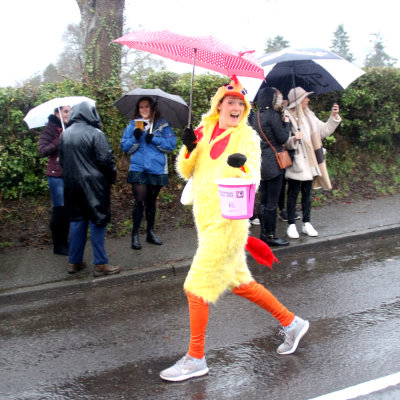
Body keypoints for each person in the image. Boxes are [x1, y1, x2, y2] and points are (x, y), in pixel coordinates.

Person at [159, 77, 309, 382]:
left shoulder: (247, 137)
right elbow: (186, 170)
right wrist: (188, 148)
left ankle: (196, 357)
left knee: (196, 286)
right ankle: (292, 323)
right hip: (206, 221)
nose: (236, 108)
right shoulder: (203, 132)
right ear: (219, 105)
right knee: (241, 284)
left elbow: (253, 178)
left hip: (229, 222)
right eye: (231, 102)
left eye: (241, 103)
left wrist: (241, 166)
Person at [59, 101, 120, 277]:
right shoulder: (96, 133)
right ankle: (100, 264)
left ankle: (74, 262)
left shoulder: (65, 135)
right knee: (97, 222)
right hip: (94, 185)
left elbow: (62, 161)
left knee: (77, 222)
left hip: (72, 186)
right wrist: (110, 179)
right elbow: (106, 160)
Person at [120, 97, 177, 250]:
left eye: (146, 107)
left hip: (156, 169)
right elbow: (124, 146)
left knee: (151, 202)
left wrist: (155, 139)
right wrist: (135, 137)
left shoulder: (162, 124)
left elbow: (171, 145)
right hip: (138, 169)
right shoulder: (133, 125)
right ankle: (135, 234)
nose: (144, 110)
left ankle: (150, 233)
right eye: (141, 107)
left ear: (152, 108)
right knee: (140, 202)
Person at [285, 87, 341, 239]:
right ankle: (291, 224)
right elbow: (283, 141)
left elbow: (323, 131)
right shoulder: (286, 116)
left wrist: (333, 116)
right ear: (297, 101)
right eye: (305, 98)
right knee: (293, 193)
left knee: (307, 193)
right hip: (296, 160)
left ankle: (306, 222)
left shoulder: (309, 115)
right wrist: (294, 139)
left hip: (311, 160)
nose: (308, 100)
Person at [249, 87, 292, 246]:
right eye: (277, 98)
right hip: (274, 162)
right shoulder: (273, 116)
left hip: (261, 162)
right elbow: (282, 138)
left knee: (264, 200)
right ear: (272, 99)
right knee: (272, 202)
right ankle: (271, 235)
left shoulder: (255, 116)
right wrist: (286, 124)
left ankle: (263, 233)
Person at [38, 105, 71, 256]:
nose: (68, 114)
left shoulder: (72, 127)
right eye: (65, 111)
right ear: (57, 114)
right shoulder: (50, 129)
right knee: (59, 210)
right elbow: (42, 150)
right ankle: (59, 245)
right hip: (56, 175)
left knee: (68, 210)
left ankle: (65, 241)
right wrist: (59, 139)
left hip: (70, 174)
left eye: (70, 111)